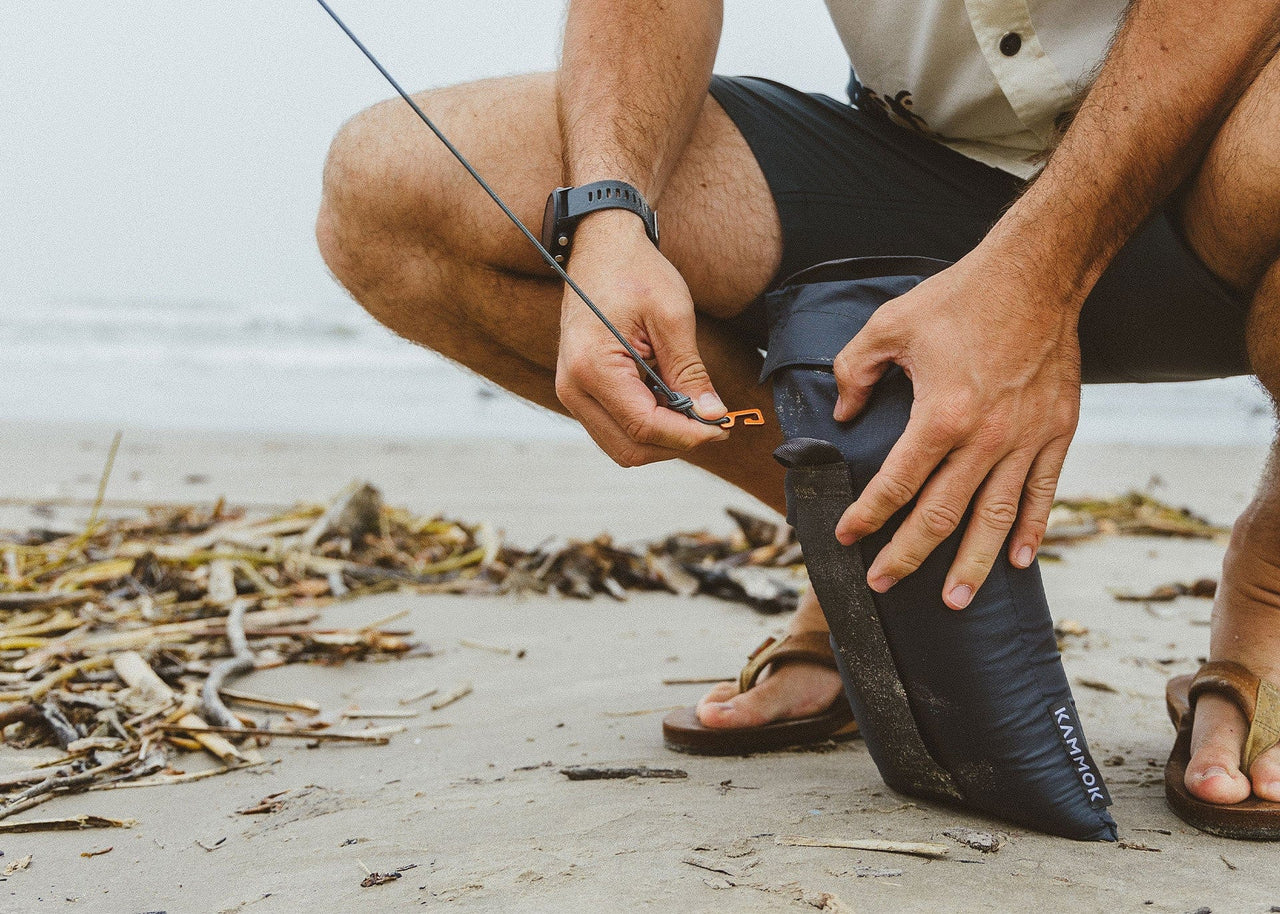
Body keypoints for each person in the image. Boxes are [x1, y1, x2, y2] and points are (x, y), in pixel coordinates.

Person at [315, 0, 1280, 832]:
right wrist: (608, 219)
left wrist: (1039, 274)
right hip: (914, 170)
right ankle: (870, 546)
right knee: (392, 189)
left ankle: (1269, 602)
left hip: (1220, 177)